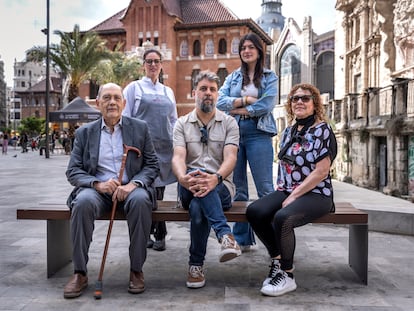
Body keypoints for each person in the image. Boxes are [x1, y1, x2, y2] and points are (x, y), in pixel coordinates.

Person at [63, 83, 159, 299]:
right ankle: (80, 272)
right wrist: (98, 184)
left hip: (131, 189)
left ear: (124, 103)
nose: (112, 102)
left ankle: (136, 270)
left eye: (117, 97)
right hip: (98, 190)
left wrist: (132, 185)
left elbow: (153, 165)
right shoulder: (84, 132)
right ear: (98, 103)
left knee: (141, 200)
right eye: (107, 97)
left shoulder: (140, 128)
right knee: (83, 202)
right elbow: (73, 171)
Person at [246, 83, 337, 297]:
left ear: (315, 104)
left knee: (282, 217)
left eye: (305, 98)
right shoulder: (289, 131)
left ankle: (288, 275)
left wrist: (294, 196)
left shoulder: (322, 130)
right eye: (295, 98)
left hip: (317, 193)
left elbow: (321, 172)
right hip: (288, 189)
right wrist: (283, 194)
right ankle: (277, 258)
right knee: (255, 211)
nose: (299, 102)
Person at [171, 71, 242, 289]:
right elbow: (178, 157)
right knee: (198, 181)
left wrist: (216, 178)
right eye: (203, 89)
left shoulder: (229, 123)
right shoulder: (181, 124)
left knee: (198, 207)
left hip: (221, 187)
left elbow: (231, 157)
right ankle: (225, 235)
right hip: (188, 184)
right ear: (194, 93)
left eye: (212, 89)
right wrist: (183, 177)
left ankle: (195, 266)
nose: (208, 93)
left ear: (218, 95)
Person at [217, 32, 278, 251]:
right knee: (239, 188)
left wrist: (241, 109)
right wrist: (245, 100)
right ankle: (242, 238)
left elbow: (267, 105)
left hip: (259, 133)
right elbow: (219, 101)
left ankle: (275, 240)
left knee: (266, 189)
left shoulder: (270, 76)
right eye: (243, 48)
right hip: (234, 133)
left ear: (259, 51)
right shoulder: (233, 77)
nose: (247, 51)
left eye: (251, 47)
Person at [123, 48, 177, 252]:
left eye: (156, 61)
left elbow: (173, 121)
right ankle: (149, 232)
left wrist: (178, 145)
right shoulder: (133, 88)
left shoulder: (168, 91)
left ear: (161, 65)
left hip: (164, 149)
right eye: (149, 61)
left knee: (159, 193)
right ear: (143, 65)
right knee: (146, 191)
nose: (153, 65)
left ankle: (159, 234)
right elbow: (125, 119)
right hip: (141, 150)